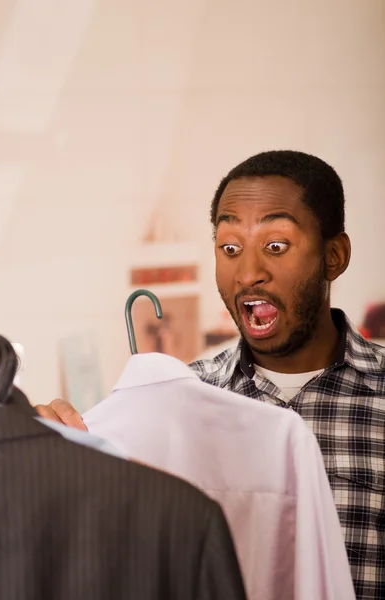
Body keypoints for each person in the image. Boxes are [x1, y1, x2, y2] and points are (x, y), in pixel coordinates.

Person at [36, 150, 385, 600]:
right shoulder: (177, 404)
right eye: (230, 249)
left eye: (275, 246)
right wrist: (56, 451)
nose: (249, 273)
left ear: (334, 256)